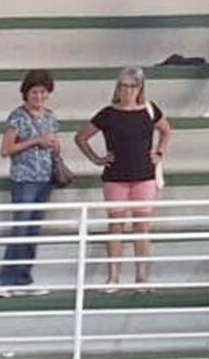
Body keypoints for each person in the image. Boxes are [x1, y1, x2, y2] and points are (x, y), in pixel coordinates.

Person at [72, 67, 171, 288]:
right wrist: (97, 159)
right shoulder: (108, 113)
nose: (128, 91)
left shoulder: (149, 110)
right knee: (116, 225)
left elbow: (166, 130)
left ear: (140, 88)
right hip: (115, 177)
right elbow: (80, 137)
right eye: (124, 86)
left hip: (144, 175)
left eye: (133, 86)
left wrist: (160, 152)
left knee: (142, 226)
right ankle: (113, 277)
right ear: (118, 88)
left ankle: (142, 277)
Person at [0, 70, 62, 294]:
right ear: (26, 93)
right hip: (24, 180)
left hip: (45, 178)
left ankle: (23, 278)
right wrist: (35, 141)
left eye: (42, 92)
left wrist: (54, 145)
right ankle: (6, 281)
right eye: (34, 92)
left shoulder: (51, 117)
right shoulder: (17, 117)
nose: (39, 96)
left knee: (32, 231)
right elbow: (6, 149)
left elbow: (56, 145)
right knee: (21, 229)